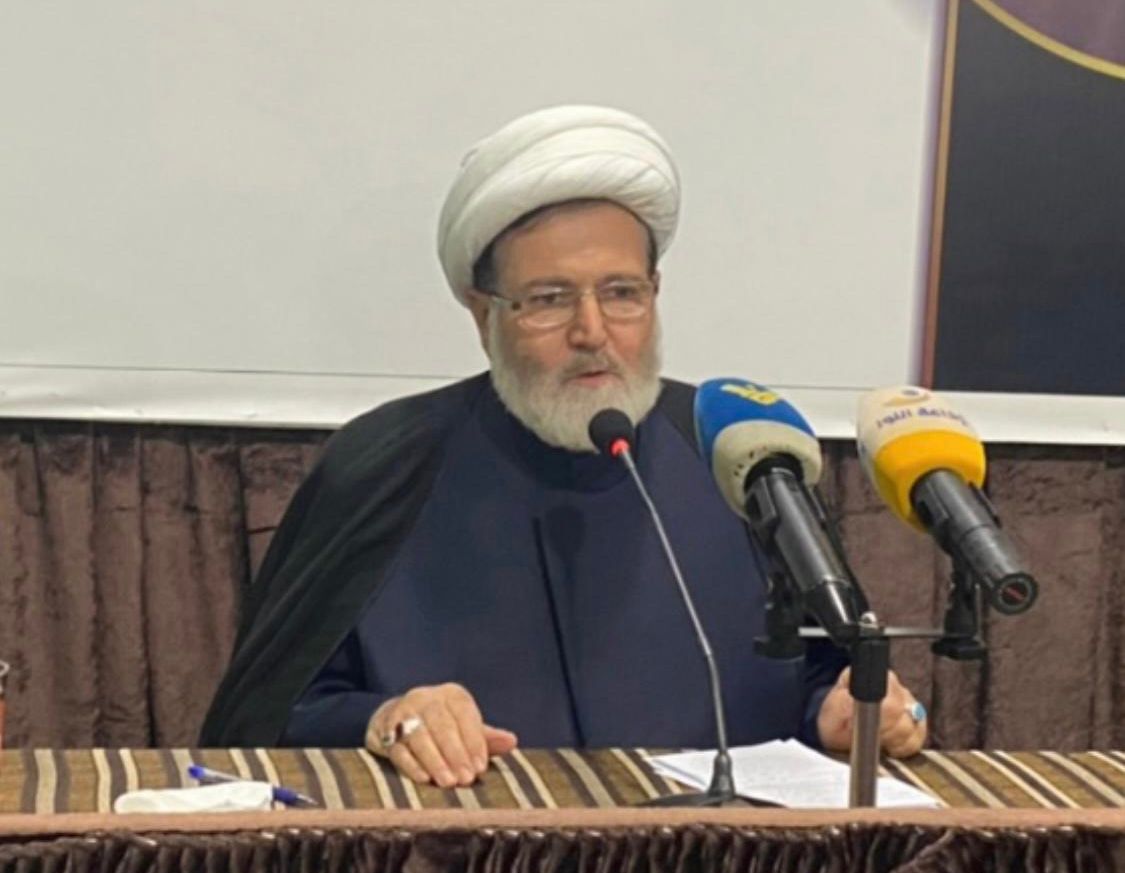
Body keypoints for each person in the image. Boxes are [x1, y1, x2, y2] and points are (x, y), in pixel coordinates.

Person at [199, 105, 927, 785]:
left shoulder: (735, 448)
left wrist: (848, 713)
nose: (591, 331)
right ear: (482, 315)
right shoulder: (386, 464)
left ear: (654, 293)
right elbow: (262, 724)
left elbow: (824, 674)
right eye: (548, 300)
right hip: (472, 870)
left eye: (621, 293)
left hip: (725, 866)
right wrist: (384, 719)